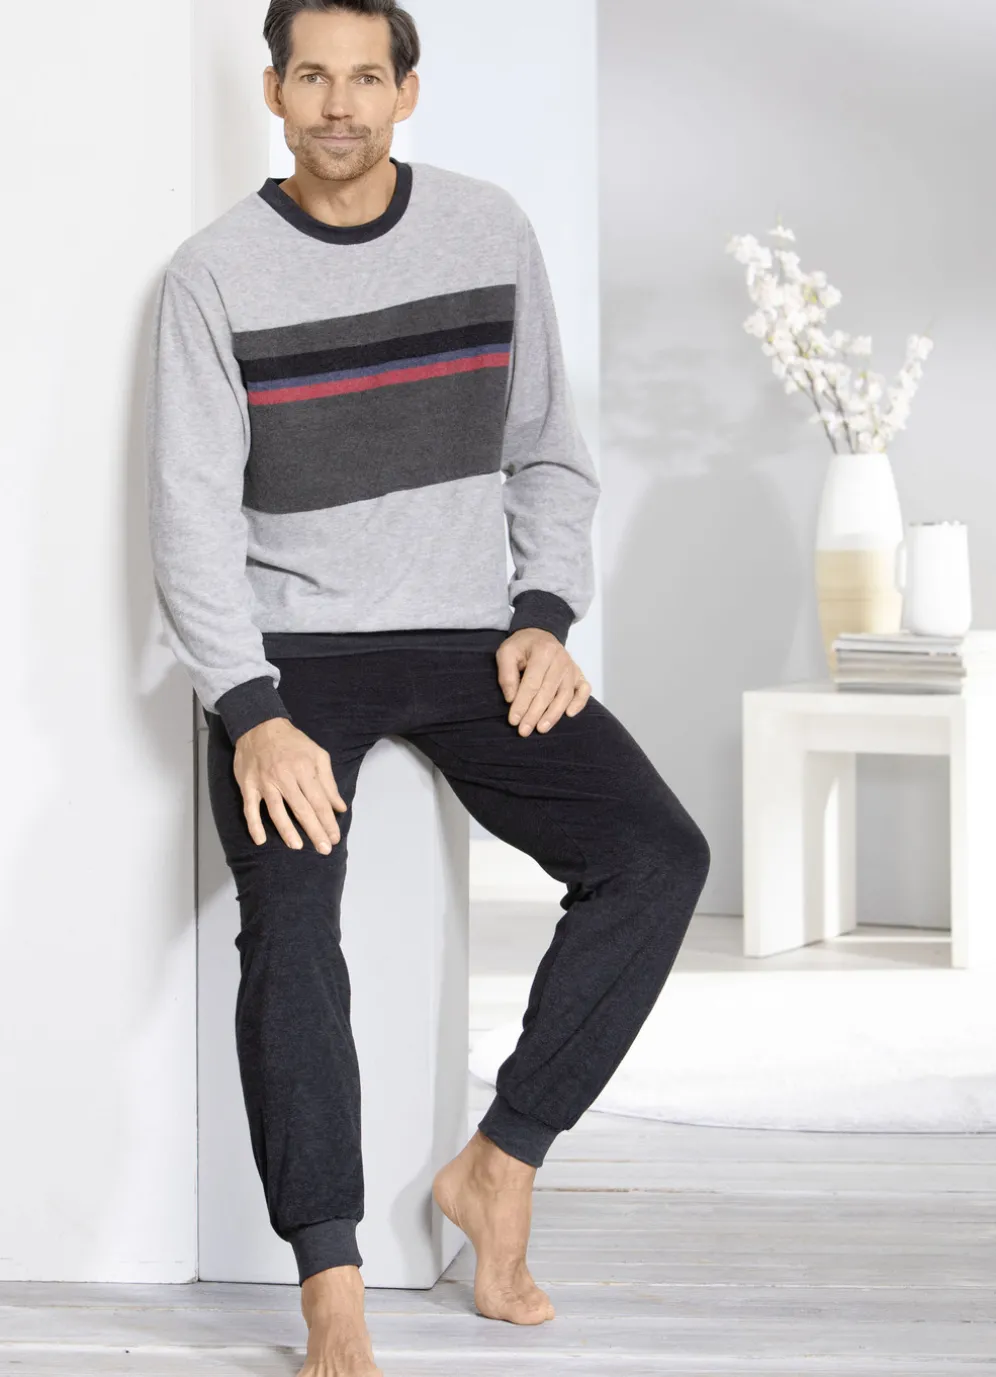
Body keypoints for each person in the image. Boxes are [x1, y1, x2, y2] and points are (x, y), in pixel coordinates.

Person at [145, 2, 711, 1373]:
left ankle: (500, 1163)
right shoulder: (212, 275)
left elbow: (549, 453)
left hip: (469, 637)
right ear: (274, 91)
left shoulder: (486, 231)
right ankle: (330, 1283)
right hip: (297, 657)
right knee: (291, 926)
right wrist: (251, 710)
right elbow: (190, 522)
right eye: (313, 77)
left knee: (656, 855)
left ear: (408, 91)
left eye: (366, 77)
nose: (339, 105)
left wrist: (543, 615)